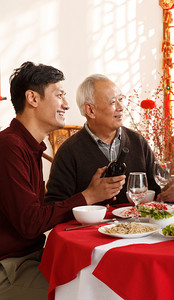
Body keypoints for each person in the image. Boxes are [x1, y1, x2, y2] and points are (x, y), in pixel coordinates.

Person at [0, 62, 125, 299]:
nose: (67, 105)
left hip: (33, 258)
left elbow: (38, 212)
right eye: (59, 95)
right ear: (33, 99)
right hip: (9, 269)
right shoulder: (9, 147)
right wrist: (88, 196)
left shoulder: (29, 147)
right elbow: (30, 223)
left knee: (110, 281)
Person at [45, 74, 174, 205]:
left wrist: (173, 192)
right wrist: (88, 196)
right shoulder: (69, 151)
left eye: (120, 100)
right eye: (113, 102)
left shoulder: (137, 141)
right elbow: (55, 204)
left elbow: (161, 185)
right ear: (90, 110)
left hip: (138, 226)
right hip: (91, 227)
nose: (121, 108)